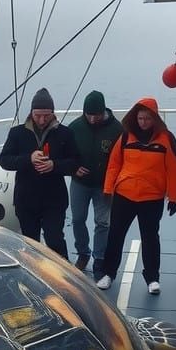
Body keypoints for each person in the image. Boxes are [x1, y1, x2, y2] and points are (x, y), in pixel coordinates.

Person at [96, 97, 176, 296]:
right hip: (124, 195)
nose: (143, 122)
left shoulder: (166, 139)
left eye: (147, 119)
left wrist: (174, 197)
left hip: (152, 198)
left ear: (155, 119)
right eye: (140, 118)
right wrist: (108, 189)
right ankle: (108, 274)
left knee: (150, 237)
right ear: (136, 118)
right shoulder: (126, 137)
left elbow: (173, 169)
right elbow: (114, 163)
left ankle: (152, 278)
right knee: (115, 235)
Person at [0, 88, 80, 259]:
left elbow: (74, 163)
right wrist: (29, 158)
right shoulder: (17, 133)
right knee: (29, 243)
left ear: (53, 113)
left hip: (54, 200)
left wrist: (54, 165)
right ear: (31, 113)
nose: (42, 120)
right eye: (37, 115)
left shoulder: (65, 133)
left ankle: (62, 276)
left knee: (55, 239)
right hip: (26, 199)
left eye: (46, 115)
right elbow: (4, 160)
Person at [68, 90, 123, 278]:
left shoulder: (117, 129)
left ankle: (99, 258)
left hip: (104, 185)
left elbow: (123, 158)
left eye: (96, 115)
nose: (92, 119)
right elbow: (65, 155)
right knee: (77, 219)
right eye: (88, 115)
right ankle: (83, 253)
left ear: (103, 111)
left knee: (102, 222)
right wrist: (73, 168)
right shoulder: (74, 128)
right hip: (80, 183)